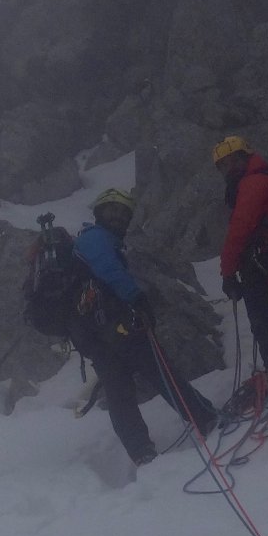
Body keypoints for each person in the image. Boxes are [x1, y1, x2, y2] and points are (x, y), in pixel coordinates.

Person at [68, 186, 217, 466]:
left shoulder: (85, 243)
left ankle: (141, 452)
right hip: (117, 325)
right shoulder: (95, 238)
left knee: (119, 391)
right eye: (112, 211)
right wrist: (137, 298)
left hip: (93, 335)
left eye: (123, 214)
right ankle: (204, 417)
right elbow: (109, 270)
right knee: (160, 371)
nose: (118, 218)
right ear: (99, 214)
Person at [212, 136, 268, 375]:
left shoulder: (253, 183)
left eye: (230, 162)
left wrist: (228, 273)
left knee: (264, 319)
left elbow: (239, 230)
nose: (227, 170)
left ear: (243, 157)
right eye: (222, 166)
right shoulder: (262, 178)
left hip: (265, 265)